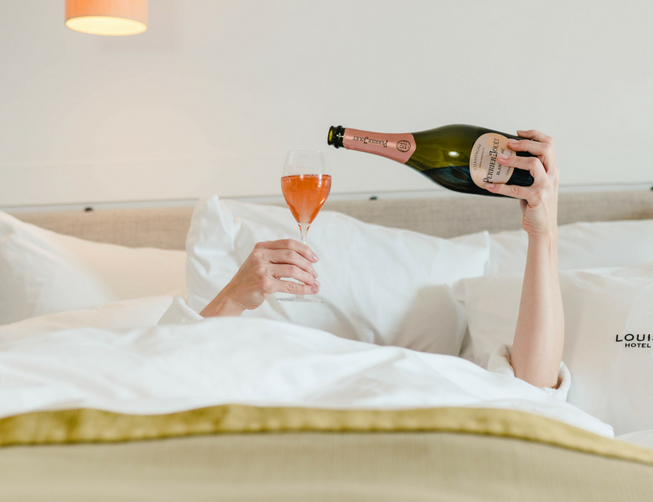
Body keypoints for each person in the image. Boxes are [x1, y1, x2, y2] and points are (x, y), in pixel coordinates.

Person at [193, 130, 564, 390]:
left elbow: (534, 391)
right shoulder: (269, 364)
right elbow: (163, 362)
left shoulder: (444, 377)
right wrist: (232, 298)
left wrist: (543, 233)